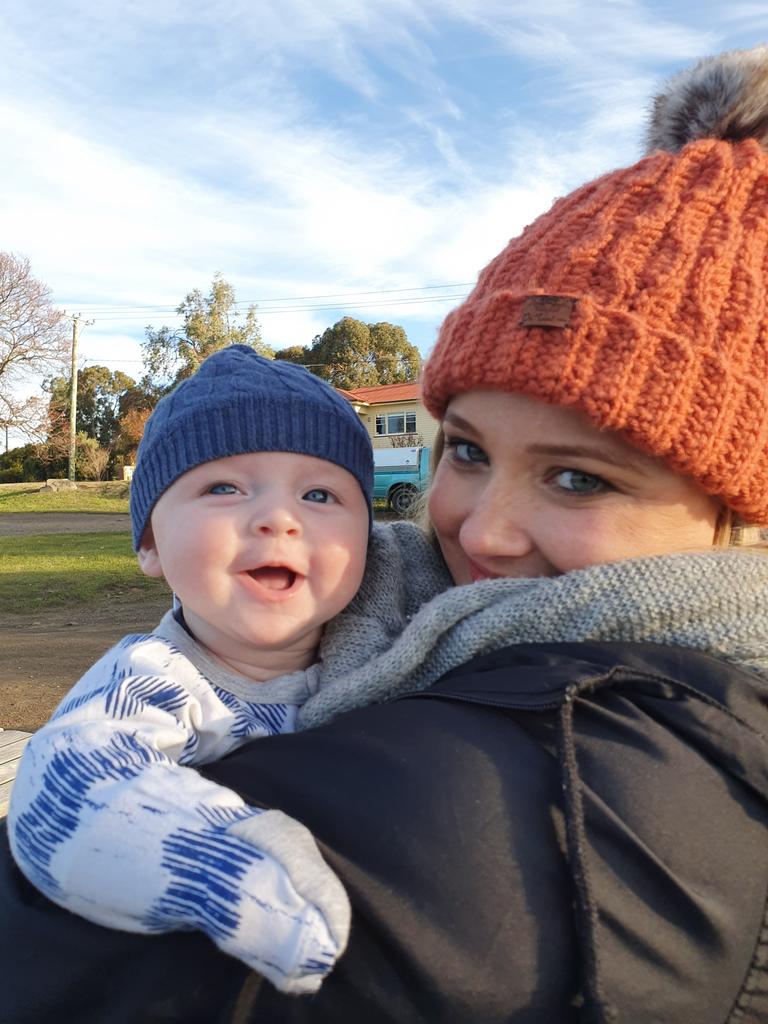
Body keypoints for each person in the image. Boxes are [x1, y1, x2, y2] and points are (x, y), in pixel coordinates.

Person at [3, 44, 768, 1024]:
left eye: (579, 477)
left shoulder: (515, 791)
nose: (483, 531)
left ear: (735, 512)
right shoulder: (366, 615)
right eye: (468, 452)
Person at [6, 343, 388, 994]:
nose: (278, 518)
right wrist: (244, 861)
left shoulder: (390, 644)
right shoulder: (153, 677)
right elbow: (69, 790)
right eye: (224, 487)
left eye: (320, 493)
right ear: (151, 543)